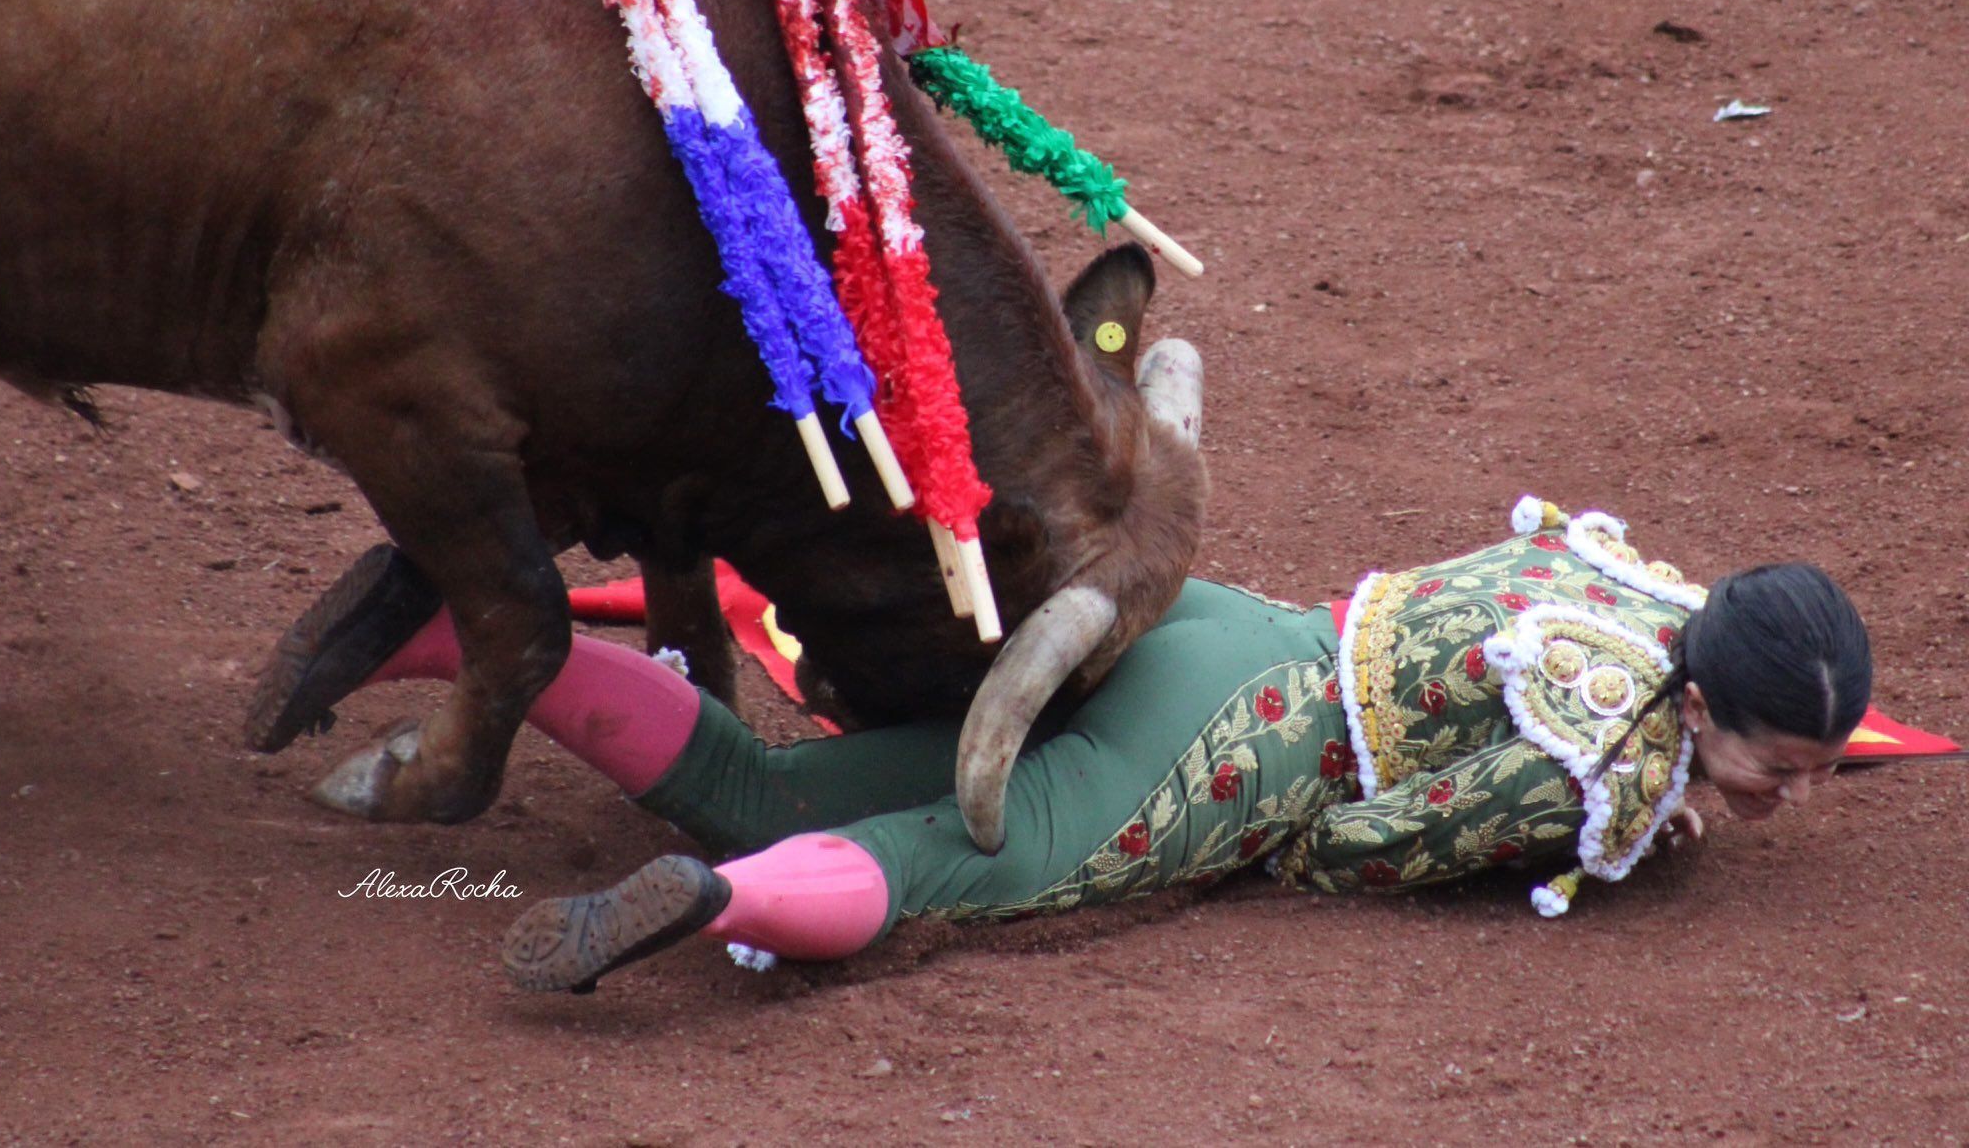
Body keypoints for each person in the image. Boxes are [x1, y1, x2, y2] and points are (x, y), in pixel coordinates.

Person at [273, 496, 1871, 993]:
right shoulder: (1594, 761)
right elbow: (1367, 848)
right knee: (993, 847)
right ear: (1708, 699)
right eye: (1775, 767)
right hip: (1255, 738)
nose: (1783, 798)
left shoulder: (1634, 587)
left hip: (1220, 619)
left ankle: (465, 633)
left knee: (792, 778)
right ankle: (725, 903)